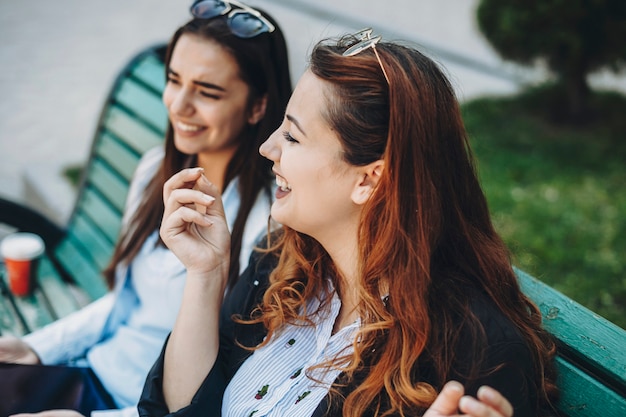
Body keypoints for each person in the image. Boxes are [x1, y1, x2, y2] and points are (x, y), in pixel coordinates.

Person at [138, 29, 559, 417]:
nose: (268, 148)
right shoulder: (280, 261)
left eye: (292, 136)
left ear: (368, 179)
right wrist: (207, 272)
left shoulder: (469, 356)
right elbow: (177, 409)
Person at [0, 1, 292, 415]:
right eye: (174, 80)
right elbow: (124, 303)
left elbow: (218, 389)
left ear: (259, 106)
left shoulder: (265, 227)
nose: (179, 105)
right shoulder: (157, 169)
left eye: (208, 91)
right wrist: (34, 347)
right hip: (85, 377)